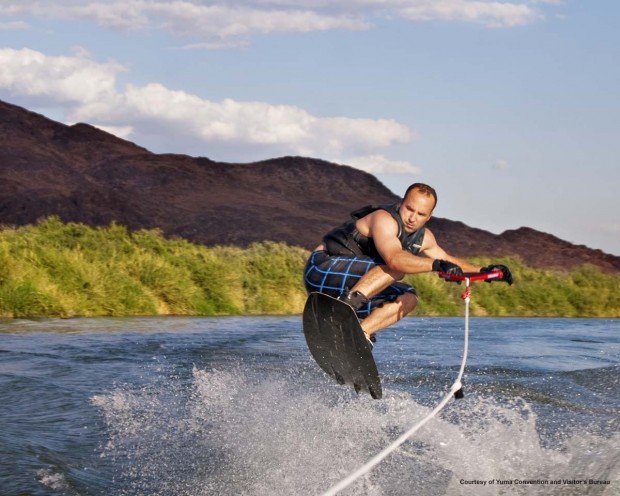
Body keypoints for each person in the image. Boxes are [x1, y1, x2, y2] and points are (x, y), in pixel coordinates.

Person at [303, 183, 512, 346]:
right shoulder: (383, 219)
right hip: (322, 268)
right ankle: (344, 310)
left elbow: (449, 260)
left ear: (429, 217)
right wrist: (435, 265)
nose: (412, 218)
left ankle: (359, 334)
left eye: (421, 214)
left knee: (409, 297)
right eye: (409, 209)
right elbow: (395, 259)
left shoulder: (425, 238)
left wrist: (486, 271)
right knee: (397, 268)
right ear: (401, 203)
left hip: (350, 284)